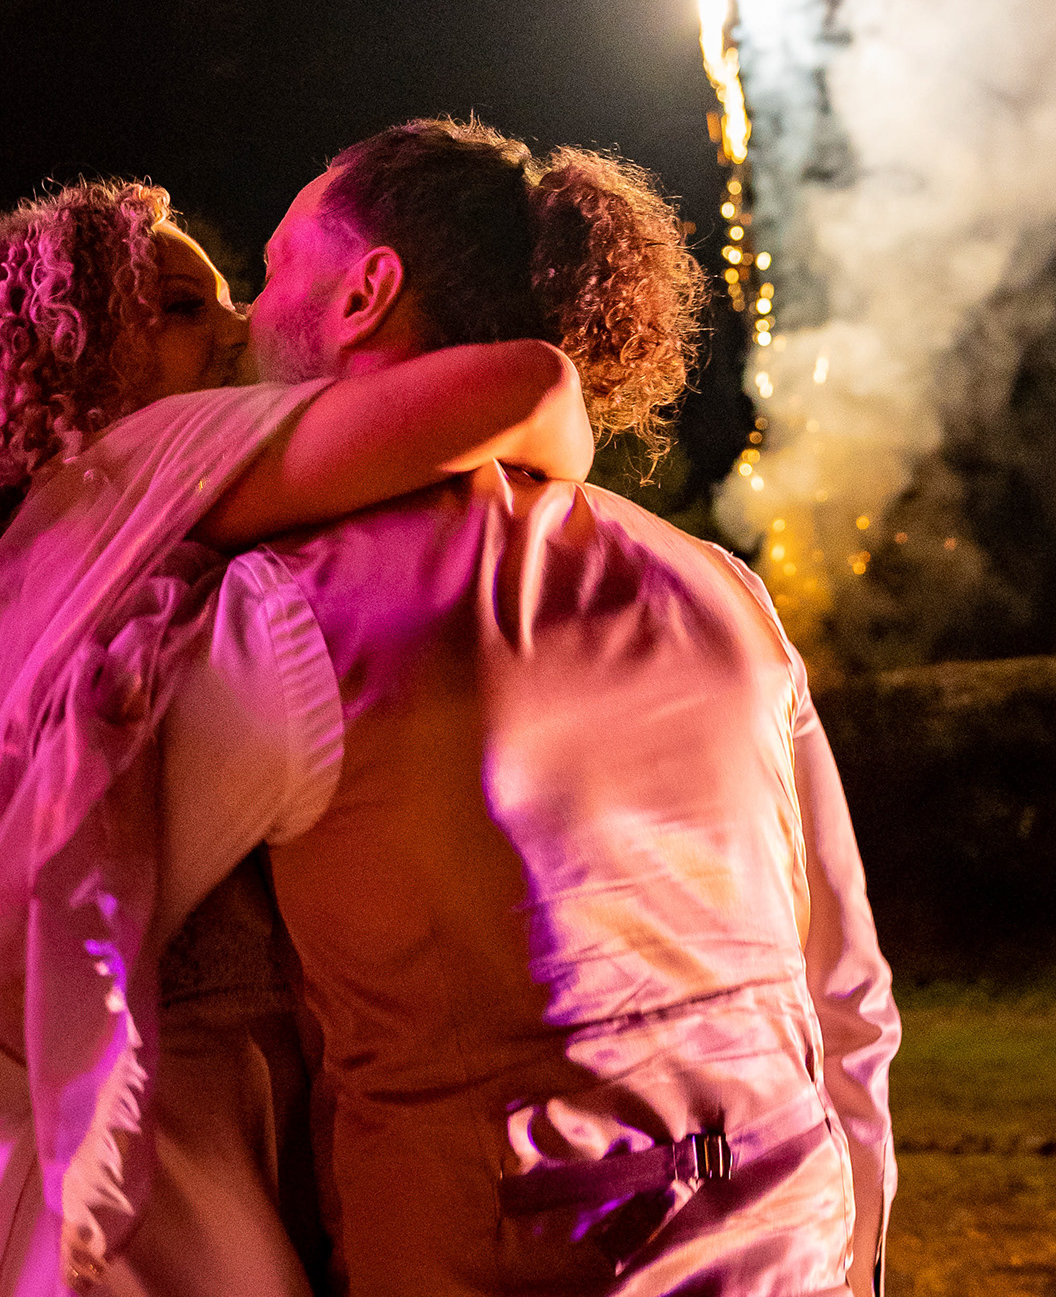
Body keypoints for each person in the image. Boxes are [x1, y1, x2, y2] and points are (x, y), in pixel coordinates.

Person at [0, 176, 593, 1297]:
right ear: (59, 384)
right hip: (164, 1144)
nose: (237, 329)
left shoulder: (91, 530)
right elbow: (525, 385)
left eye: (230, 295)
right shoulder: (142, 463)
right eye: (180, 309)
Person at [197, 118, 899, 1297]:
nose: (244, 319)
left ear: (365, 293)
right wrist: (860, 1256)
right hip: (795, 1248)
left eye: (273, 273)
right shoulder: (723, 590)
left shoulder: (282, 613)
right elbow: (849, 993)